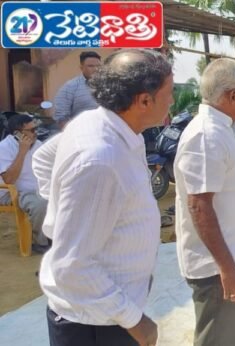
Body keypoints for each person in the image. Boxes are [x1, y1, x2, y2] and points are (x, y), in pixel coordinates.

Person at [36, 49, 173, 346]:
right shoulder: (100, 158)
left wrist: (65, 210)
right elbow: (71, 265)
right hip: (96, 322)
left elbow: (43, 159)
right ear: (144, 100)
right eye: (169, 92)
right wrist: (134, 321)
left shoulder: (110, 126)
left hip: (109, 310)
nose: (173, 101)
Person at [175, 58, 235, 346]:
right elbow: (199, 206)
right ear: (231, 95)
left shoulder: (224, 127)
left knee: (229, 338)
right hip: (221, 267)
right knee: (218, 340)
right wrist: (227, 268)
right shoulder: (206, 136)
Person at [0, 114, 48, 251]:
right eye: (31, 130)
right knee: (41, 204)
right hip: (14, 191)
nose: (36, 133)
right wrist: (22, 152)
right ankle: (41, 243)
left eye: (36, 129)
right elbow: (8, 180)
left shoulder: (38, 144)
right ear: (17, 134)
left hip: (37, 188)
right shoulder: (4, 148)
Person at [52, 51, 101, 126]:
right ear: (81, 68)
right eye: (91, 66)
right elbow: (61, 118)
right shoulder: (70, 87)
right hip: (82, 132)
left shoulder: (107, 85)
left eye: (98, 66)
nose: (96, 69)